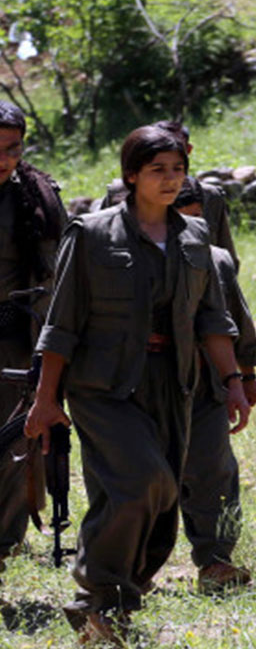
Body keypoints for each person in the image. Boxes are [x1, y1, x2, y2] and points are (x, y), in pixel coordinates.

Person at [24, 126, 250, 643]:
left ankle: (119, 602)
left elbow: (212, 320)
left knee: (162, 494)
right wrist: (45, 399)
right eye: (158, 171)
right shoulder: (91, 234)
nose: (171, 180)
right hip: (103, 386)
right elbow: (62, 324)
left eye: (177, 170)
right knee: (143, 481)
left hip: (174, 383)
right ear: (132, 176)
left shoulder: (195, 238)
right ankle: (96, 594)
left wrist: (233, 381)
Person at [172, 177, 256, 593]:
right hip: (137, 384)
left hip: (206, 380)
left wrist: (245, 377)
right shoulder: (118, 258)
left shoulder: (215, 260)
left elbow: (236, 324)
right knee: (141, 478)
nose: (188, 232)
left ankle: (215, 559)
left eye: (196, 222)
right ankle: (126, 571)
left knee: (213, 470)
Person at [0, 101, 66, 575]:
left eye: (12, 148)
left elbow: (59, 273)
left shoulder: (38, 196)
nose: (3, 158)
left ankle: (4, 543)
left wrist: (49, 343)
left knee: (11, 442)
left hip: (17, 335)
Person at [90, 120, 238, 268]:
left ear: (188, 150)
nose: (170, 179)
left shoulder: (209, 199)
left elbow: (225, 263)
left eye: (177, 167)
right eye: (157, 169)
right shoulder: (112, 202)